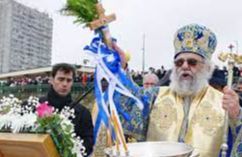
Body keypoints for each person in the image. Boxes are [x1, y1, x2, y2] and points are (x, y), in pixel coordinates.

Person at [114, 24, 241, 157]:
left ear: (208, 68)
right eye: (179, 62)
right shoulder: (155, 96)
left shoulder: (224, 102)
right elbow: (128, 102)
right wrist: (121, 67)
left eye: (192, 62)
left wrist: (237, 116)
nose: (185, 66)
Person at [39, 63, 94, 156]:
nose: (64, 84)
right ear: (51, 80)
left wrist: (72, 152)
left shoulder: (83, 112)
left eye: (68, 80)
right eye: (61, 79)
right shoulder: (37, 104)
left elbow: (88, 142)